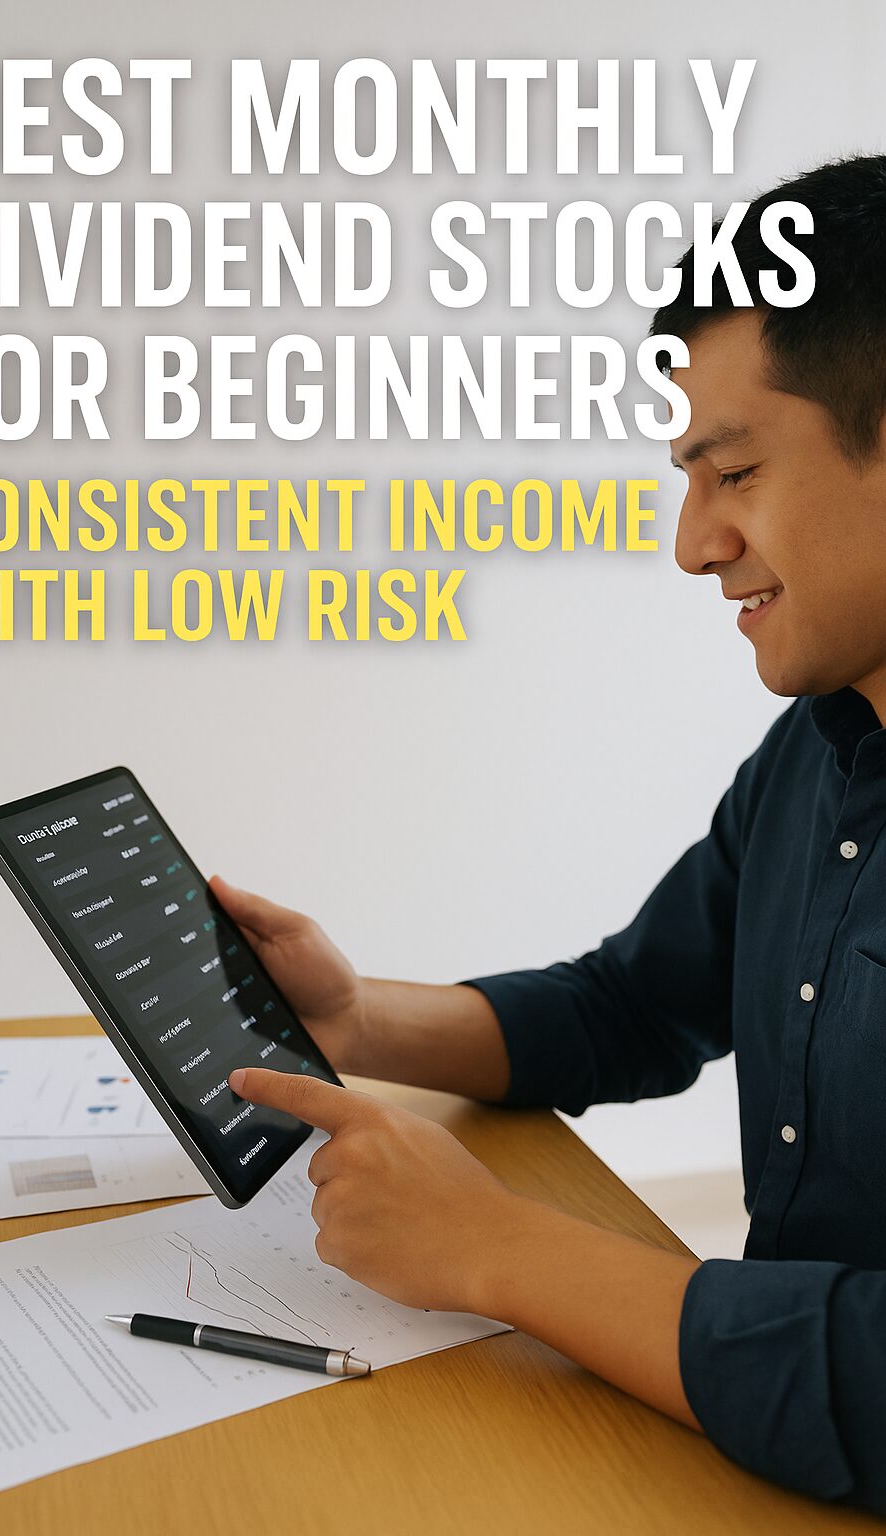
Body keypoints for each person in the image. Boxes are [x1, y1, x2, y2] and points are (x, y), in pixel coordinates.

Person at [218, 151, 886, 1517]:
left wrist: (499, 1251)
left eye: (734, 471)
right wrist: (358, 1020)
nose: (694, 545)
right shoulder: (817, 752)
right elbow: (633, 1006)